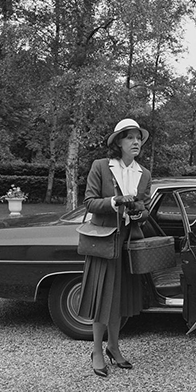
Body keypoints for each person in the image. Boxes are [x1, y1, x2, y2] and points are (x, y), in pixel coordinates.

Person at [77, 118, 152, 378]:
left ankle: (114, 347)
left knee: (119, 300)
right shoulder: (101, 166)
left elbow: (145, 209)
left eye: (138, 138)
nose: (135, 142)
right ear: (118, 142)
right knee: (103, 299)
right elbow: (89, 202)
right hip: (104, 242)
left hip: (127, 244)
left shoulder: (144, 174)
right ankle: (96, 351)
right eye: (130, 137)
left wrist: (139, 212)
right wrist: (115, 201)